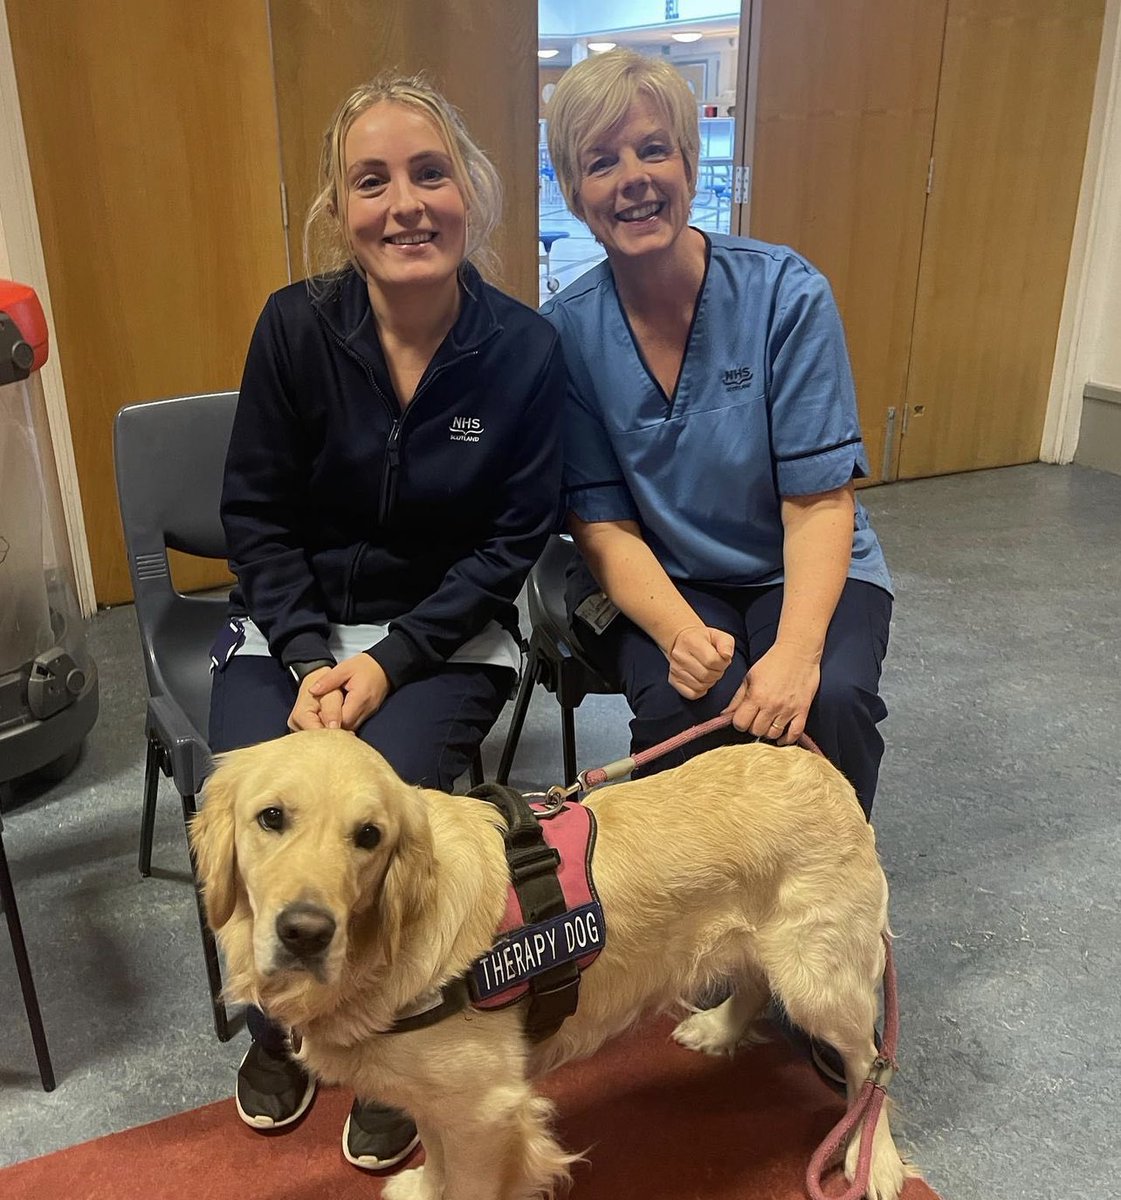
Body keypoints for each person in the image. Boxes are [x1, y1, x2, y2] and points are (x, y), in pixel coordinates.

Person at [207, 75, 564, 1171]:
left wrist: (393, 664)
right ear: (338, 209)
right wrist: (314, 657)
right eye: (372, 181)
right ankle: (282, 1020)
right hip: (291, 630)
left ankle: (394, 1044)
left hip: (444, 639)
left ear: (471, 194)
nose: (404, 204)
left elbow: (510, 545)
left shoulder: (523, 350)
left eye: (429, 174)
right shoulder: (292, 328)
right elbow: (254, 517)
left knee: (394, 817)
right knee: (251, 802)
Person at [540, 49, 893, 819]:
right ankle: (705, 919)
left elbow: (819, 503)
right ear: (574, 193)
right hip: (667, 574)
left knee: (824, 700)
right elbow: (600, 526)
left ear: (690, 165)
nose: (632, 177)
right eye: (601, 162)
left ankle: (826, 898)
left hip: (792, 558)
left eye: (653, 149)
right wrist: (677, 633)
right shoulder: (564, 336)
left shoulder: (784, 295)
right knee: (689, 710)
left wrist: (796, 655)